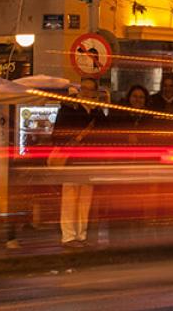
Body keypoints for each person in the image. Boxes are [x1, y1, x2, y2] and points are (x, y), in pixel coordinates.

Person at [53, 78, 111, 249]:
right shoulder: (68, 109)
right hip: (71, 160)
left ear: (94, 92)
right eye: (83, 88)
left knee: (85, 200)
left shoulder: (97, 113)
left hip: (89, 160)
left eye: (90, 89)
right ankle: (69, 236)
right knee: (70, 198)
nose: (86, 92)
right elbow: (57, 135)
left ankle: (81, 234)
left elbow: (105, 136)